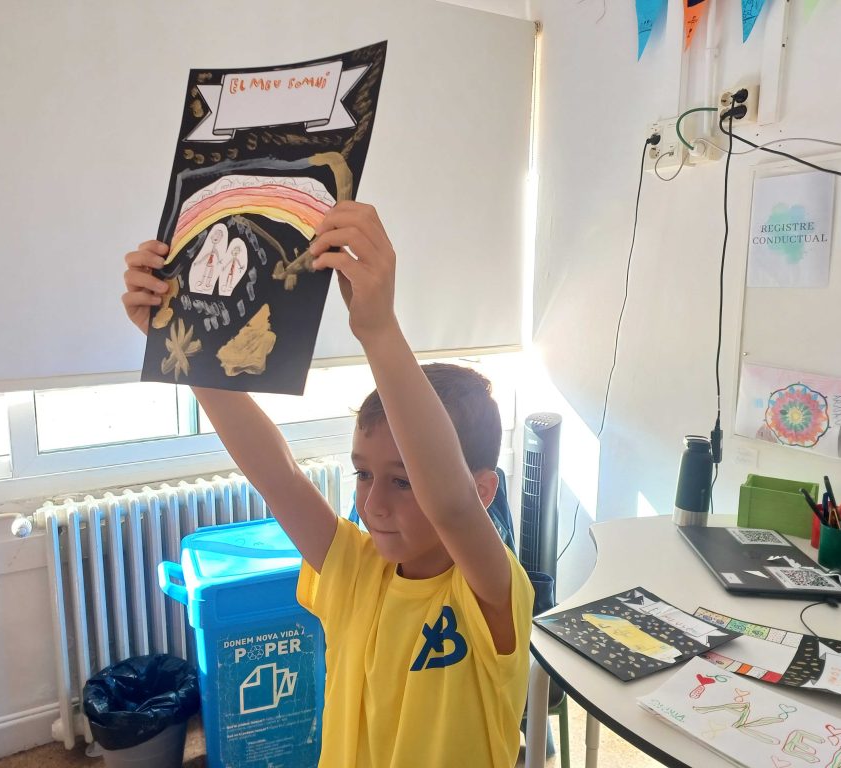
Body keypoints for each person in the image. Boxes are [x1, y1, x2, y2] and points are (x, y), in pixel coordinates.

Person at [122, 201, 533, 767]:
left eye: (403, 482)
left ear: (485, 491)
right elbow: (280, 476)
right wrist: (180, 345)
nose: (373, 503)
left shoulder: (488, 591)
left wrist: (378, 329)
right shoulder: (356, 569)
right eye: (363, 474)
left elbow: (452, 505)